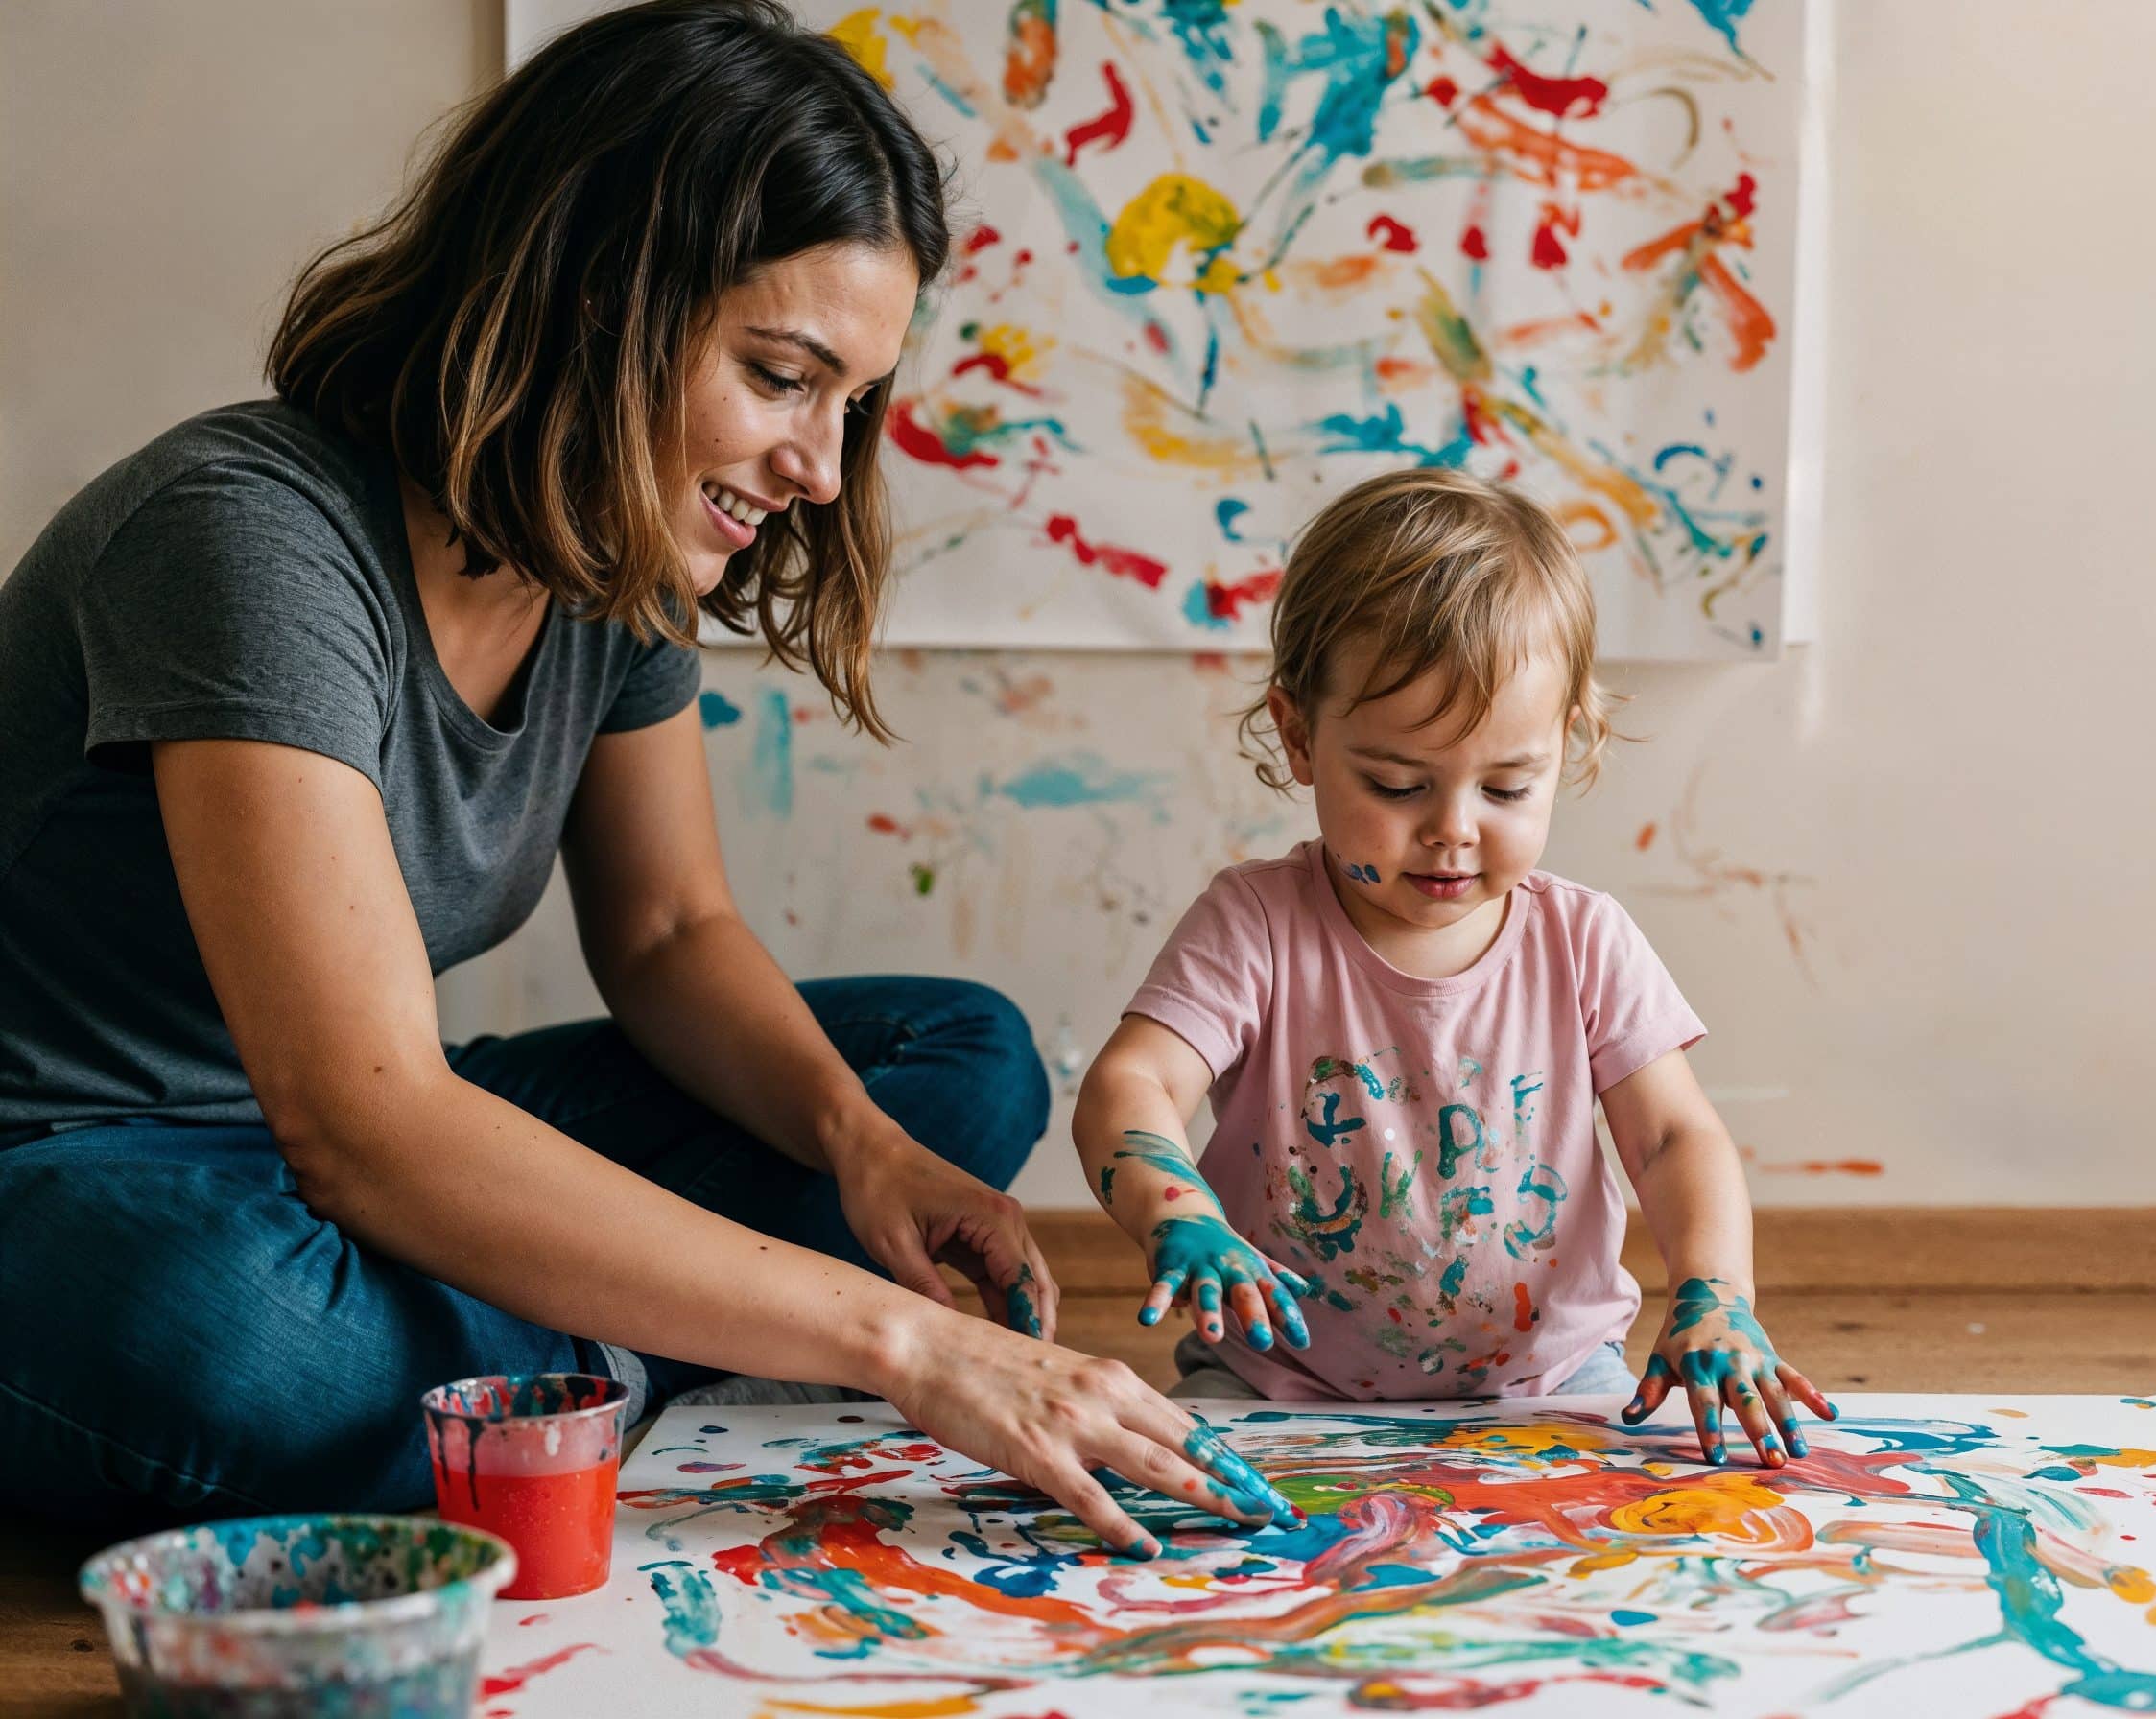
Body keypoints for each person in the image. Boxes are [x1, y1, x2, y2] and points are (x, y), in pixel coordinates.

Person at [0, 0, 1291, 1551]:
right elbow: (365, 1124)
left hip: (366, 1135)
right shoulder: (245, 536)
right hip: (89, 1173)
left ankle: (551, 1369)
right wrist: (917, 1342)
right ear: (593, 294)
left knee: (952, 1059)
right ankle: (604, 1350)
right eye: (782, 375)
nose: (821, 465)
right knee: (228, 1338)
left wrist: (852, 1140)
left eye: (848, 403)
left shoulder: (602, 562)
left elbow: (673, 931)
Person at [1071, 468, 1838, 1466]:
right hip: (1276, 1378)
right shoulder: (1254, 924)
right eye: (1397, 783)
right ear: (1300, 736)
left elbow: (1675, 1137)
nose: (1451, 830)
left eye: (1509, 787)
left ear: (1567, 747)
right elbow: (1130, 1083)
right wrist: (1175, 1211)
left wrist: (1714, 1295)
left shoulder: (1583, 941)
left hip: (1556, 1379)